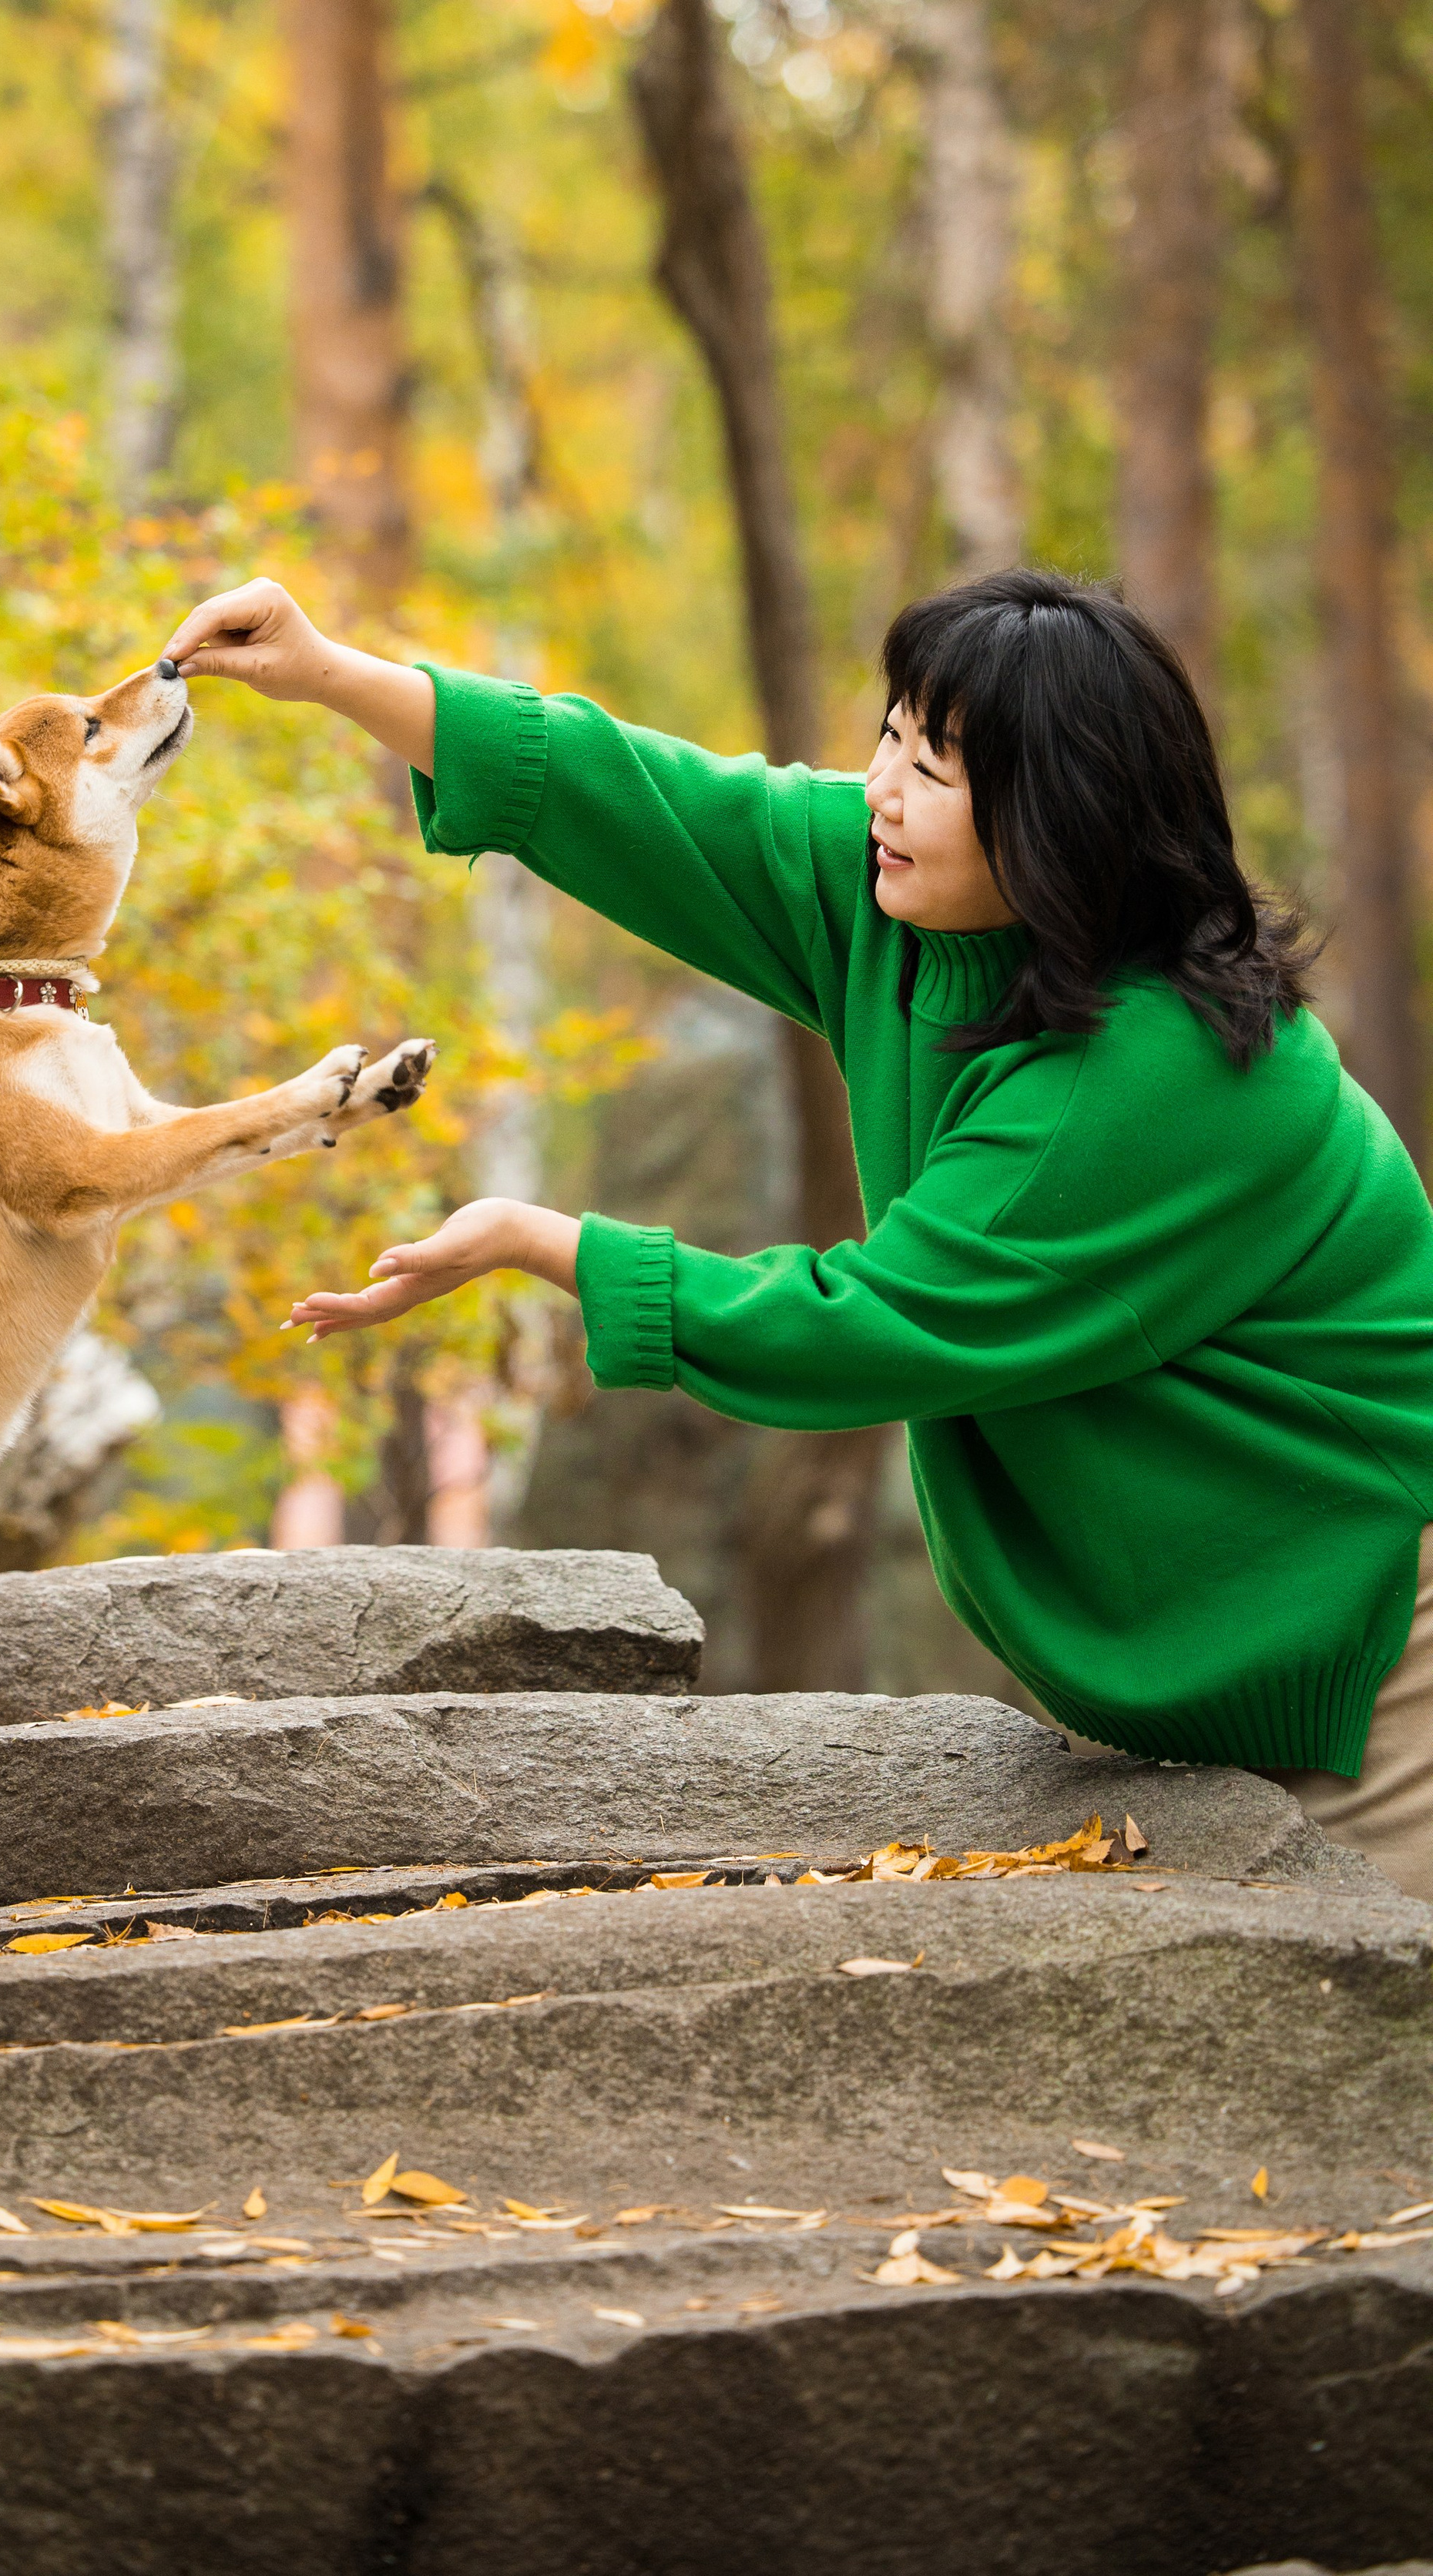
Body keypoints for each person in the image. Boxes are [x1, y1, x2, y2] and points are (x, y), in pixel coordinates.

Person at [159, 565, 1433, 1900]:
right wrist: (334, 672)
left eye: (933, 770)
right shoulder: (916, 897)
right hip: (1192, 1641)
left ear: (1065, 814)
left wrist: (563, 1250)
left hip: (1364, 1638)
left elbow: (876, 1325)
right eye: (890, 736)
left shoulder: (1156, 1076)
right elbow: (655, 804)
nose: (880, 789)